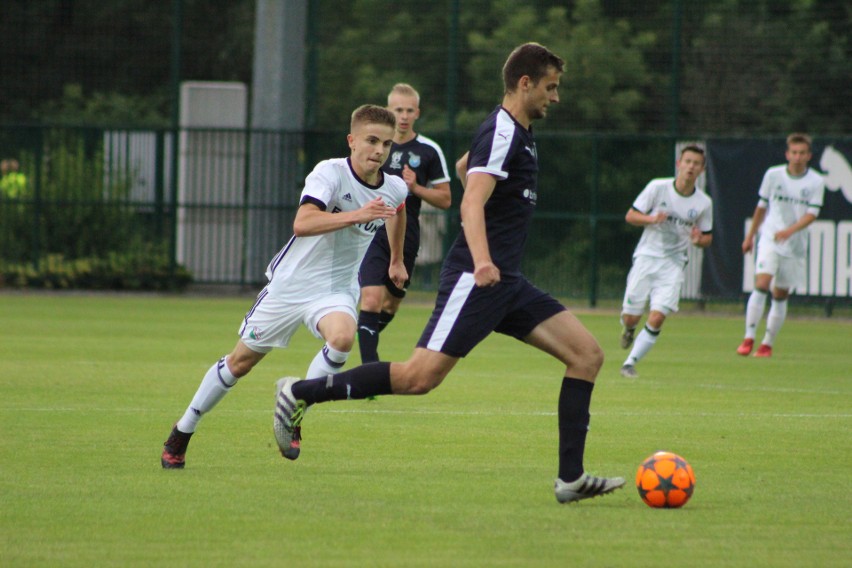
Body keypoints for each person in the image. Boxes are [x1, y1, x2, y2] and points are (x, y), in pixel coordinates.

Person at [273, 42, 626, 504]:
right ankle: (300, 392)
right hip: (477, 278)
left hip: (508, 282)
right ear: (525, 83)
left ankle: (570, 479)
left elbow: (468, 173)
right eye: (550, 87)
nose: (554, 97)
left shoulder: (515, 132)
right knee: (420, 378)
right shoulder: (503, 131)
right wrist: (481, 261)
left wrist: (468, 174)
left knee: (587, 355)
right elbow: (472, 202)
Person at [161, 104, 409, 468]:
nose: (379, 151)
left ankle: (293, 406)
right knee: (239, 364)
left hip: (336, 289)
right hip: (290, 287)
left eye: (387, 144)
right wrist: (357, 215)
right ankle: (183, 430)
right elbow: (302, 223)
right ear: (352, 141)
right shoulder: (330, 173)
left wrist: (396, 259)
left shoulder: (394, 187)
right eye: (372, 141)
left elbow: (398, 209)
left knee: (342, 338)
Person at [357, 83, 451, 363]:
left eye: (409, 110)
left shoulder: (428, 150)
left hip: (406, 234)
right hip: (372, 232)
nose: (404, 115)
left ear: (417, 113)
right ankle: (369, 368)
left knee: (390, 304)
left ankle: (363, 331)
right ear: (388, 111)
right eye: (398, 109)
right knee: (371, 300)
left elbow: (445, 199)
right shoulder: (373, 146)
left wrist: (416, 187)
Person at [618, 146, 714, 379]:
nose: (691, 166)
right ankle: (630, 329)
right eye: (687, 161)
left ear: (702, 169)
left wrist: (698, 239)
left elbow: (707, 238)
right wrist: (651, 218)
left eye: (696, 163)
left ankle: (629, 363)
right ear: (678, 164)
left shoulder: (703, 202)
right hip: (646, 258)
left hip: (673, 263)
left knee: (658, 315)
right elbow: (630, 215)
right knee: (631, 316)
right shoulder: (657, 187)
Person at [736, 133, 825, 358]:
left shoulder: (816, 181)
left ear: (809, 156)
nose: (797, 157)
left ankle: (767, 343)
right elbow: (761, 207)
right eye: (793, 152)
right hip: (770, 238)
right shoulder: (773, 175)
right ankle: (748, 337)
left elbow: (812, 214)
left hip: (794, 244)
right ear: (787, 154)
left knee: (781, 293)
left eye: (802, 153)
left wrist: (789, 231)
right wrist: (750, 237)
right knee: (762, 282)